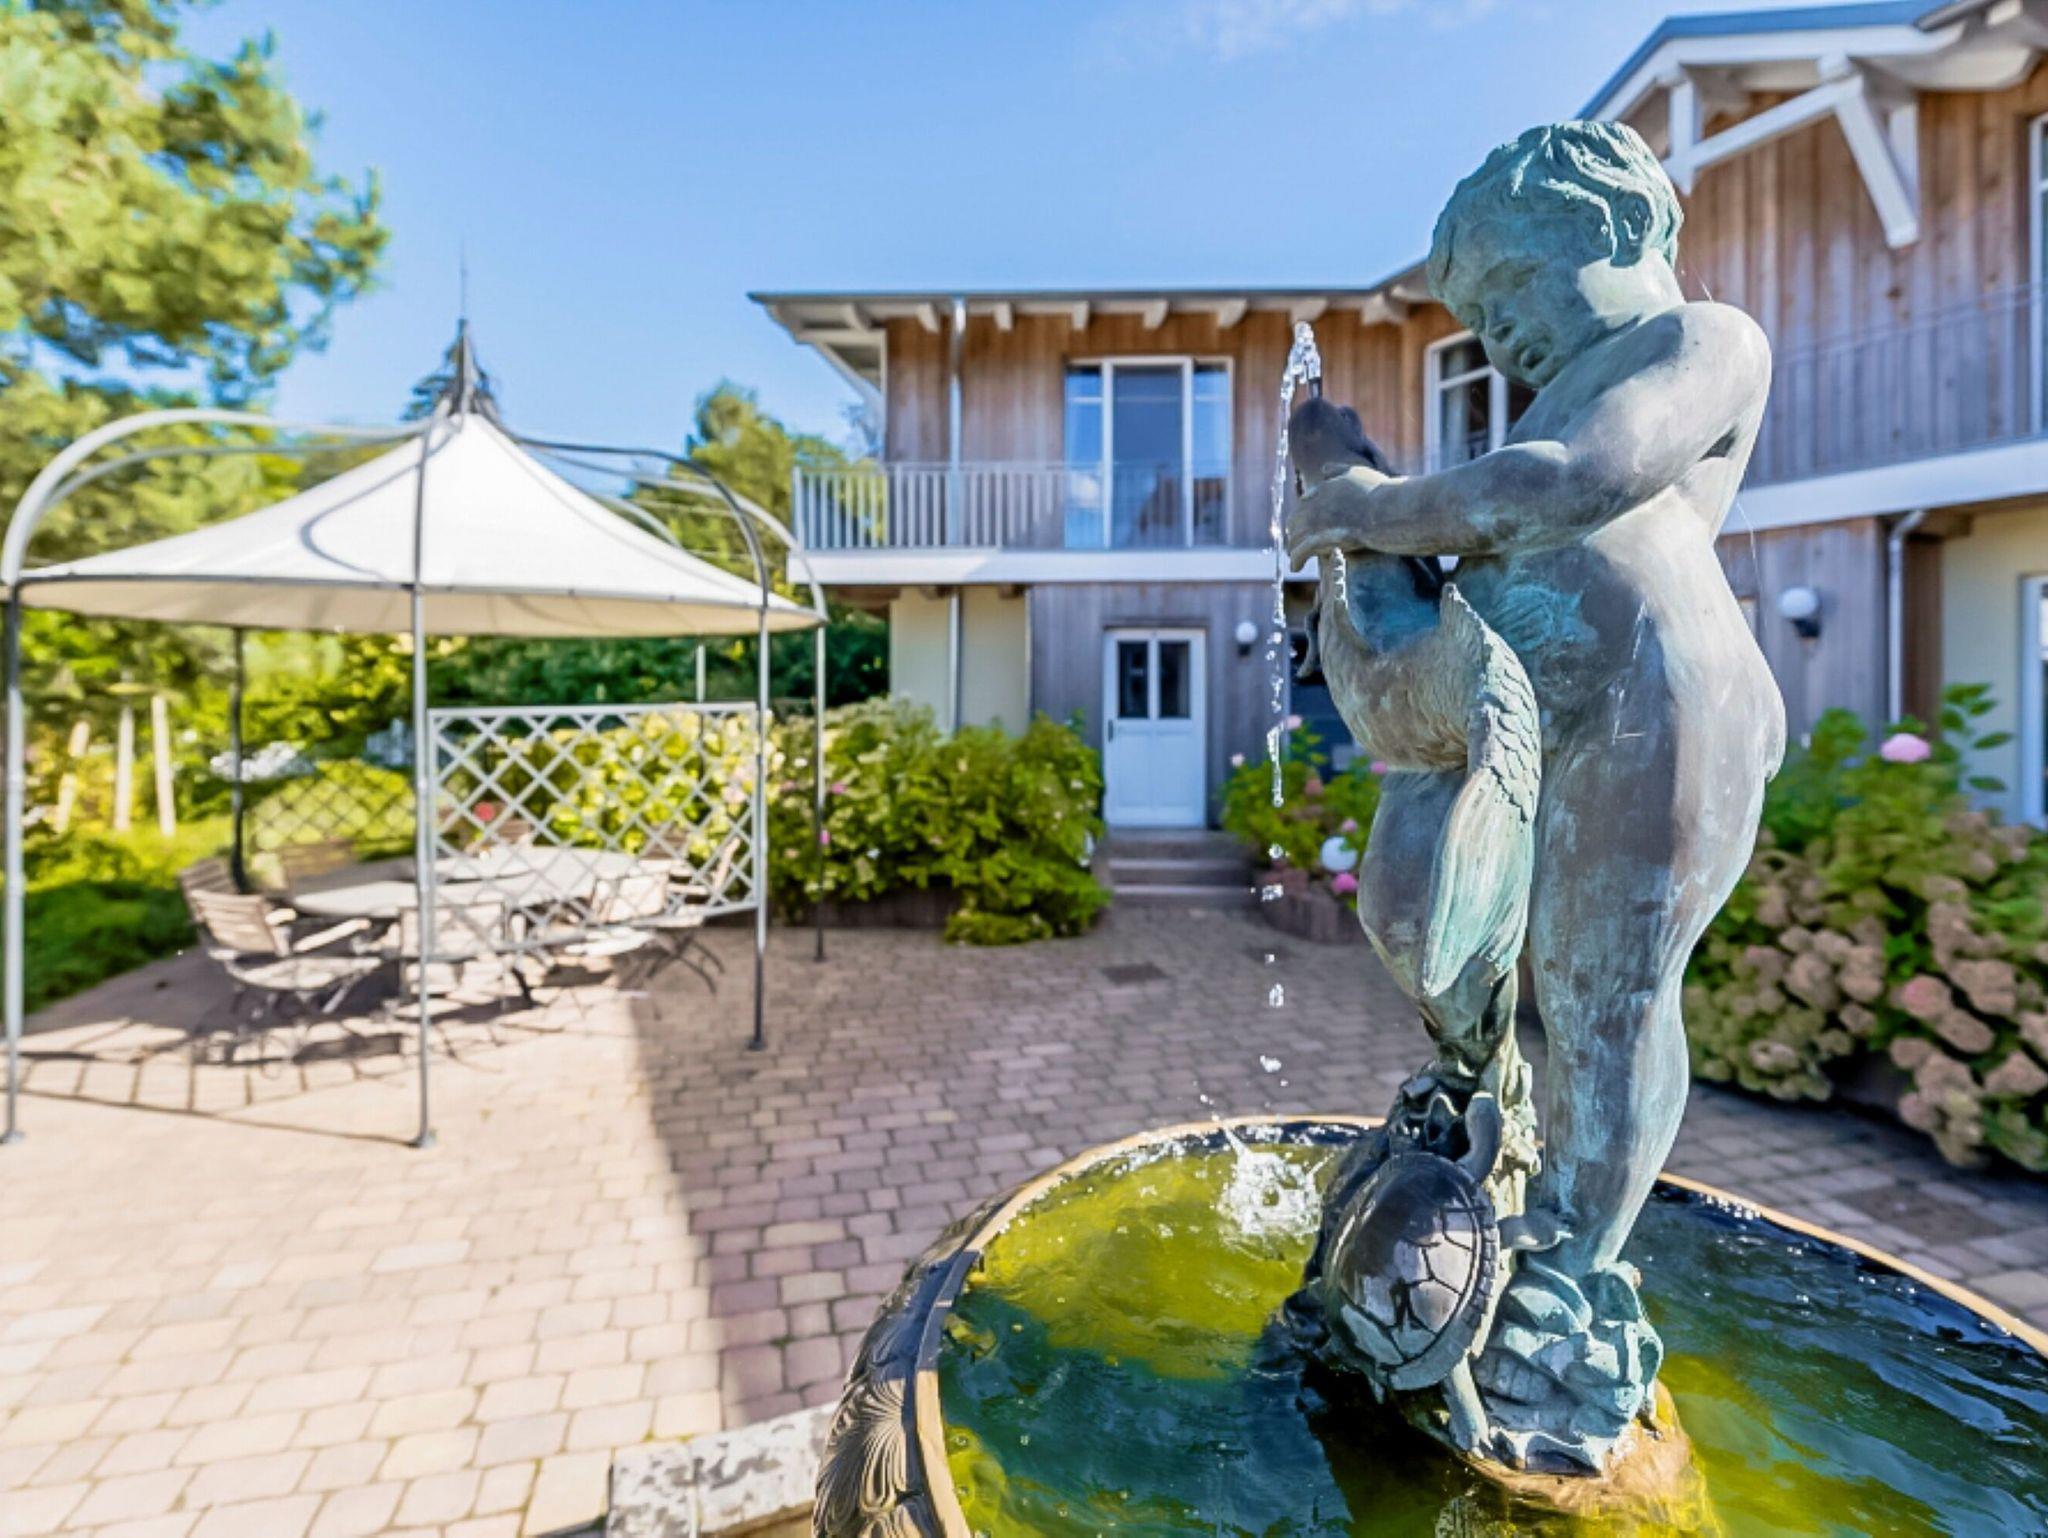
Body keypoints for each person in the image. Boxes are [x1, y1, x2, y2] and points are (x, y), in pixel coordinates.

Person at [1286, 120, 1785, 1465]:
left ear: (1616, 223)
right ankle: (1479, 1136)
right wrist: (1343, 500)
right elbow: (1482, 533)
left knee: (1603, 993)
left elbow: (1569, 486)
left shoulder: (1701, 341)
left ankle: (1568, 1261)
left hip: (1659, 697)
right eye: (1479, 313)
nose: (1499, 333)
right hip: (1534, 712)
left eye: (1512, 287)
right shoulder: (1544, 397)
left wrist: (1365, 503)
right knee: (1445, 934)